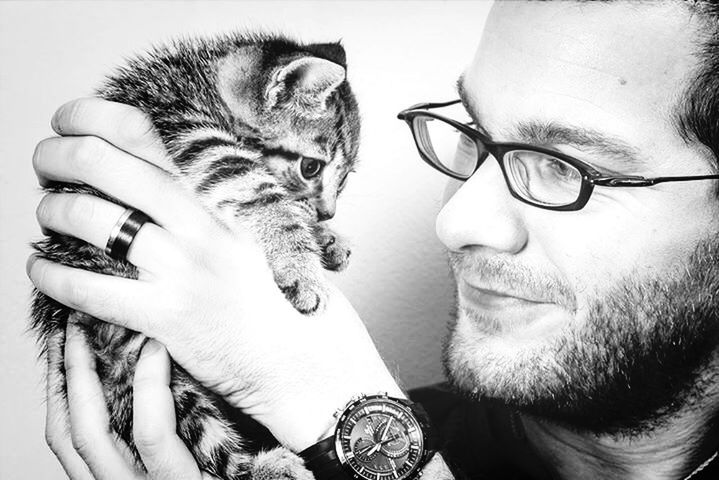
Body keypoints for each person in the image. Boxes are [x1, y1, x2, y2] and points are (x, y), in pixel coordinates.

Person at [28, 1, 719, 479]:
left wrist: (340, 412)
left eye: (565, 166)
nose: (454, 221)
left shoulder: (334, 429)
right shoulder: (279, 449)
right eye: (473, 136)